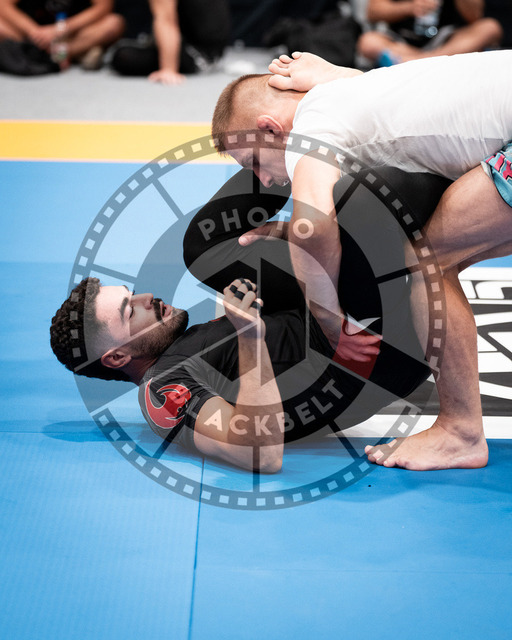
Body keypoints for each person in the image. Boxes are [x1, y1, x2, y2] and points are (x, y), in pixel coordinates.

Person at [211, 49, 512, 471]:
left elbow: (313, 226)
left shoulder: (311, 125)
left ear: (270, 127)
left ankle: (461, 432)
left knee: (431, 260)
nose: (263, 179)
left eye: (254, 162)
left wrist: (330, 321)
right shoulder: (351, 88)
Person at [50, 166, 450, 472]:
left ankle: (288, 143)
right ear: (117, 358)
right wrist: (250, 338)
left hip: (320, 313)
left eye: (131, 293)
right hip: (368, 354)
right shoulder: (162, 388)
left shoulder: (178, 345)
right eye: (130, 310)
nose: (146, 298)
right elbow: (261, 455)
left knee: (203, 248)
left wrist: (295, 238)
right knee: (362, 200)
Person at [110, 0, 229, 84]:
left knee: (122, 57)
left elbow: (166, 20)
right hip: (214, 54)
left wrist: (168, 69)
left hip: (198, 56)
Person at [357, 0, 502, 66]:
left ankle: (412, 62)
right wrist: (409, 7)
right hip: (403, 41)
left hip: (446, 40)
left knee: (490, 27)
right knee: (368, 42)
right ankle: (428, 62)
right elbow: (373, 12)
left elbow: (475, 16)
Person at [0, 0, 125, 68]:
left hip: (72, 34)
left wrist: (60, 29)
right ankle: (76, 54)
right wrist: (35, 32)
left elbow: (103, 7)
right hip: (30, 34)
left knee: (113, 23)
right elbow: (3, 5)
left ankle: (58, 53)